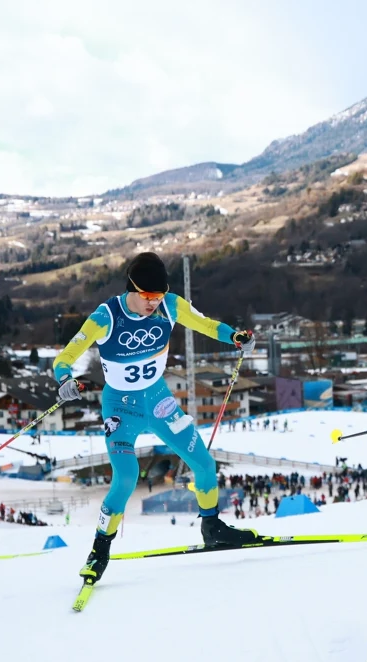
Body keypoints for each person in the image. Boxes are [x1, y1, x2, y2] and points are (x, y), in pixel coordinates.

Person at [52, 251, 260, 587]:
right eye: (148, 297)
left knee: (205, 465)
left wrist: (233, 336)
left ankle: (212, 526)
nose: (154, 304)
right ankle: (99, 549)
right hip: (122, 409)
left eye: (158, 296)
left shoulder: (170, 305)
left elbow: (206, 324)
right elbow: (67, 356)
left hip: (159, 400)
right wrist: (64, 379)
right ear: (131, 289)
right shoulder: (106, 316)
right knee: (126, 476)